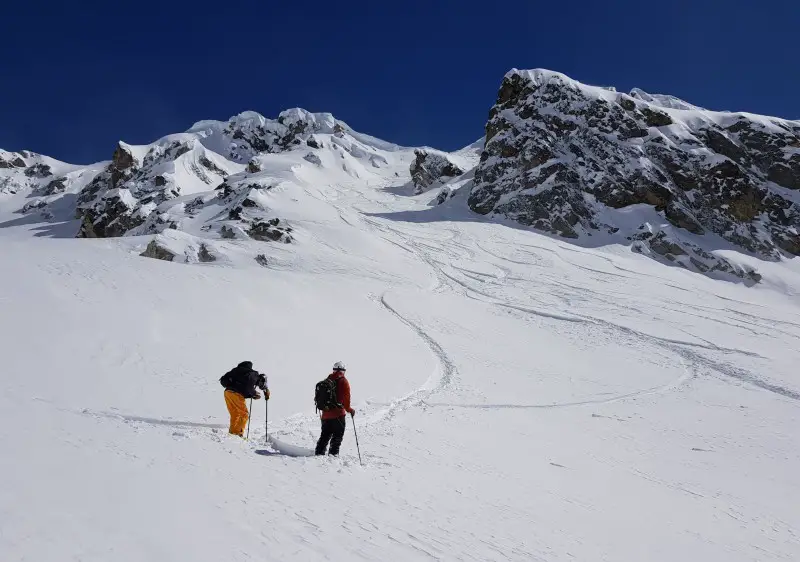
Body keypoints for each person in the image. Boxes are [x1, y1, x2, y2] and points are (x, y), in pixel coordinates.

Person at [315, 361, 355, 456]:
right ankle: (333, 458)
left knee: (324, 436)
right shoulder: (344, 381)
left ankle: (318, 456)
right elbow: (346, 401)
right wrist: (350, 410)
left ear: (334, 370)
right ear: (343, 370)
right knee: (337, 438)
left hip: (325, 414)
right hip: (338, 415)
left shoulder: (327, 380)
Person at [220, 361, 269, 437]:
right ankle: (238, 434)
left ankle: (232, 433)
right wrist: (254, 394)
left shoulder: (236, 371)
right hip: (236, 394)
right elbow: (248, 387)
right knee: (244, 414)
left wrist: (252, 394)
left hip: (227, 393)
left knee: (235, 414)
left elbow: (242, 387)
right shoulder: (253, 374)